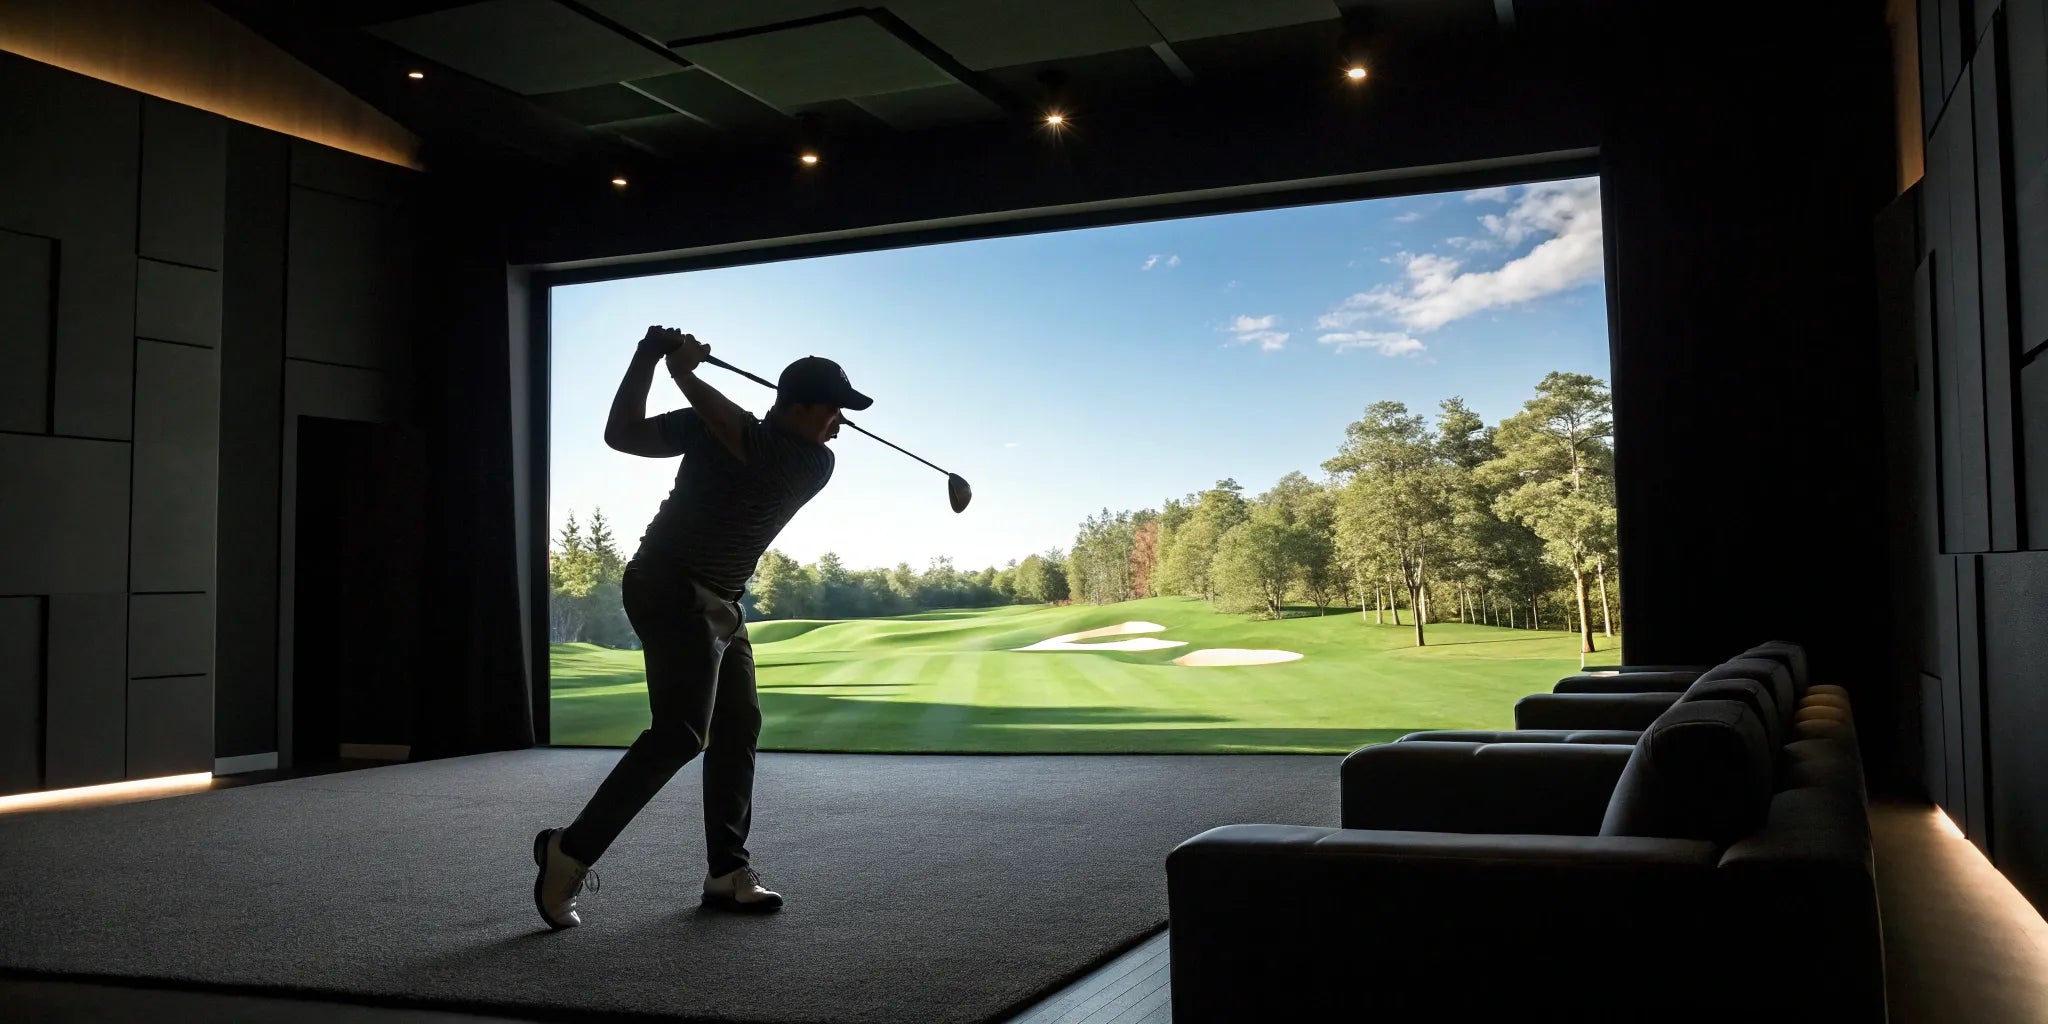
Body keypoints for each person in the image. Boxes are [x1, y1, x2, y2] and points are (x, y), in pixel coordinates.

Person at [533, 325, 871, 929]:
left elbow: (739, 434)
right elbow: (622, 434)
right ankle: (568, 853)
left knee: (738, 725)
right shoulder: (720, 426)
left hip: (722, 602)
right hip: (665, 584)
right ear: (799, 406)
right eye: (834, 411)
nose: (839, 425)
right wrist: (646, 360)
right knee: (683, 732)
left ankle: (726, 872)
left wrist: (684, 372)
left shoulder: (811, 461)